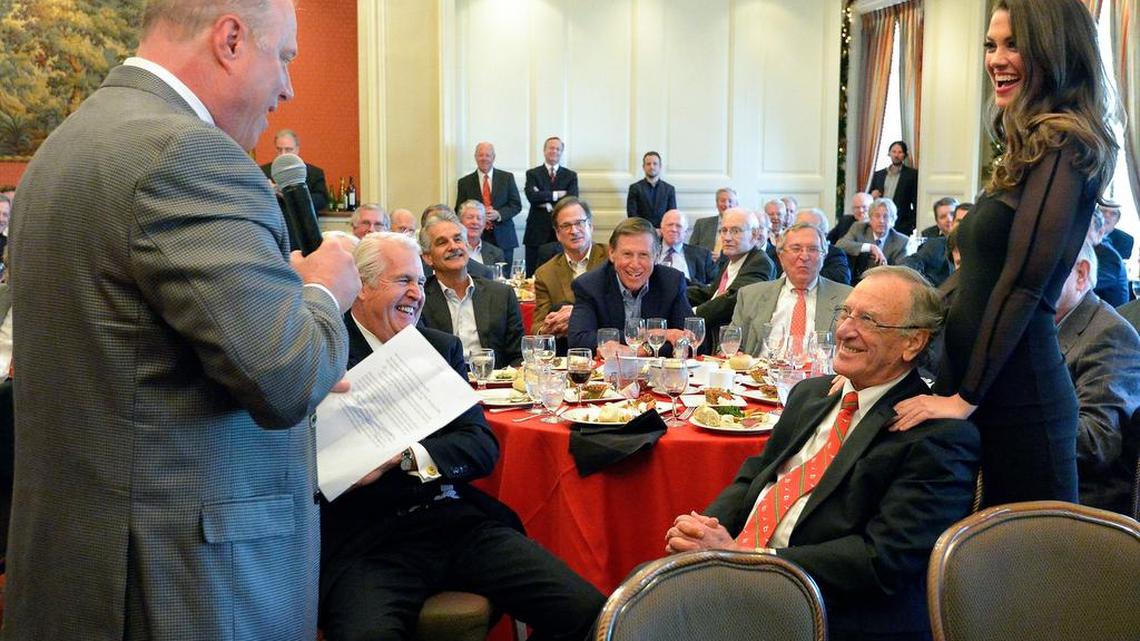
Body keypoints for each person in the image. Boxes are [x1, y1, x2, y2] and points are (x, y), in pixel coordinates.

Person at [4, 1, 363, 638]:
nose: (287, 87)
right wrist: (324, 295)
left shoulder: (69, 145)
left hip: (87, 569)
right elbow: (286, 379)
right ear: (230, 39)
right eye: (283, 56)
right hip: (184, 588)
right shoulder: (187, 156)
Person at [666, 266, 979, 641]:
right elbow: (757, 475)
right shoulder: (812, 393)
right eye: (845, 313)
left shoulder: (935, 434)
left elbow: (884, 561)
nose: (845, 330)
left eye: (869, 320)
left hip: (824, 611)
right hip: (741, 574)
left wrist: (752, 563)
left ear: (913, 342)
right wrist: (706, 531)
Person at [320, 232, 604, 641]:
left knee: (588, 612)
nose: (417, 294)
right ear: (362, 287)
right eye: (403, 281)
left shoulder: (438, 348)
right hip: (368, 544)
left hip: (453, 521)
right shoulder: (326, 351)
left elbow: (480, 447)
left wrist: (401, 457)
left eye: (420, 281)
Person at [892, 0, 1120, 507]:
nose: (996, 58)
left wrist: (964, 397)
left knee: (1029, 575)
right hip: (990, 390)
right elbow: (978, 278)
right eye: (991, 45)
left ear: (1052, 49)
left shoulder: (1065, 142)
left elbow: (1024, 285)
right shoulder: (1032, 145)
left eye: (1013, 44)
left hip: (1023, 400)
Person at [1054, 241, 1140, 515]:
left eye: (1043, 269)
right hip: (1037, 488)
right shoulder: (1037, 325)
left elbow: (1097, 442)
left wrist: (1017, 420)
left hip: (1083, 509)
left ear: (1081, 274)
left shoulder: (1110, 334)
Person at [568, 217, 692, 350]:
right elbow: (579, 340)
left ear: (656, 256)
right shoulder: (589, 285)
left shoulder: (672, 282)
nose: (635, 264)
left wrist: (646, 351)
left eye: (643, 255)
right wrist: (652, 334)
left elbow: (693, 342)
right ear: (611, 253)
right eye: (627, 254)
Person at [732, 223, 852, 356]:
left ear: (824, 256)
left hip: (820, 375)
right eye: (796, 249)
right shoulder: (750, 295)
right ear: (781, 256)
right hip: (759, 373)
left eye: (813, 249)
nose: (804, 257)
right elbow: (731, 345)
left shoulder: (847, 298)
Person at [419, 215, 523, 366]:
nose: (453, 247)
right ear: (428, 258)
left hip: (495, 385)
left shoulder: (502, 294)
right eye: (442, 242)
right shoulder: (420, 299)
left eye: (458, 239)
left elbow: (518, 356)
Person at [687, 208, 774, 351]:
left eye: (735, 231)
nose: (727, 237)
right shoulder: (732, 259)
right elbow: (711, 293)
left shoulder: (760, 262)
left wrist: (693, 314)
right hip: (712, 336)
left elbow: (733, 299)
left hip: (733, 344)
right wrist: (678, 293)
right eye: (724, 230)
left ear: (754, 235)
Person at [532, 197, 608, 340]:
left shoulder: (611, 259)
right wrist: (546, 329)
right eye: (566, 226)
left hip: (604, 343)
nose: (573, 230)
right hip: (566, 348)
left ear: (590, 226)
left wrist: (576, 315)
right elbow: (538, 326)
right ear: (557, 234)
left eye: (579, 223)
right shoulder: (545, 273)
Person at [454, 142, 522, 264]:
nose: (484, 158)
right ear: (475, 157)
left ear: (493, 157)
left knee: (503, 277)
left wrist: (499, 214)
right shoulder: (464, 182)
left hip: (504, 237)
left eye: (487, 155)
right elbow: (458, 210)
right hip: (475, 238)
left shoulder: (507, 178)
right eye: (480, 155)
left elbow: (516, 205)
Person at [523, 136, 579, 275]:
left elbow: (571, 199)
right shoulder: (532, 173)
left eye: (558, 149)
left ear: (561, 152)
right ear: (544, 150)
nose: (554, 151)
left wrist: (543, 197)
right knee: (533, 274)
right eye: (551, 148)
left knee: (562, 273)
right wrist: (557, 195)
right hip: (536, 232)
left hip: (562, 232)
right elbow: (532, 197)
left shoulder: (570, 175)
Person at [836, 198, 910, 283]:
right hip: (858, 282)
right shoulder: (859, 228)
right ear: (870, 219)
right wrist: (870, 247)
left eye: (886, 216)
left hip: (885, 283)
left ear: (892, 220)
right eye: (877, 216)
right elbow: (840, 244)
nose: (881, 221)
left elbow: (901, 272)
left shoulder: (901, 241)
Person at [260, 128, 331, 212]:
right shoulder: (262, 172)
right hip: (273, 222)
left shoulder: (314, 173)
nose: (283, 154)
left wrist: (293, 195)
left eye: (288, 149)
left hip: (303, 222)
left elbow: (322, 201)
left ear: (297, 149)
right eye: (279, 149)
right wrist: (268, 191)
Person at [868, 140, 919, 235]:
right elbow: (869, 196)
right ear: (889, 153)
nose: (896, 155)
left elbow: (916, 201)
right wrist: (872, 196)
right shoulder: (879, 175)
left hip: (901, 223)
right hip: (880, 220)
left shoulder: (911, 175)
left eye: (900, 152)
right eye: (894, 152)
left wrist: (912, 222)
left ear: (904, 155)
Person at [658, 209, 716, 286]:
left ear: (685, 232)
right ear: (662, 229)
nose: (674, 229)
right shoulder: (650, 252)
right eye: (670, 225)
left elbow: (715, 285)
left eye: (678, 226)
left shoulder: (703, 256)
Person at [795, 208, 852, 285]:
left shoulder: (833, 253)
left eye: (807, 229)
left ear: (823, 234)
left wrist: (802, 273)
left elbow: (842, 278)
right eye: (797, 229)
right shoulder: (787, 250)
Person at [1088, 206, 1130, 306]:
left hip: (1105, 320)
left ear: (1100, 232)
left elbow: (1079, 285)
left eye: (1086, 228)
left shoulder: (1109, 258)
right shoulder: (1090, 250)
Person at [626, 151, 676, 227]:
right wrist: (645, 230)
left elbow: (672, 215)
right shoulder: (635, 188)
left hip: (663, 233)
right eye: (648, 164)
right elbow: (632, 215)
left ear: (660, 166)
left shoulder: (669, 189)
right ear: (643, 167)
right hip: (641, 232)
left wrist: (662, 230)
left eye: (655, 164)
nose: (652, 167)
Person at [691, 187, 738, 257]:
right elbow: (691, 250)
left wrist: (722, 258)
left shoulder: (741, 227)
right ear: (716, 204)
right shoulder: (701, 224)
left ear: (736, 205)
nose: (726, 204)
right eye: (722, 201)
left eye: (730, 201)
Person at [457, 200, 505, 267]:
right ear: (460, 222)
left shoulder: (496, 253)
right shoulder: (454, 249)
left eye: (479, 218)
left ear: (484, 224)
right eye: (470, 217)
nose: (475, 222)